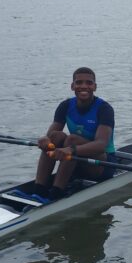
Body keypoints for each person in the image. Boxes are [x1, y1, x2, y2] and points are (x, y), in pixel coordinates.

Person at [31, 67, 115, 201]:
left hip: (102, 164)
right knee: (55, 137)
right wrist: (44, 140)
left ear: (95, 87)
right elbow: (51, 136)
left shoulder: (104, 109)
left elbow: (101, 145)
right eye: (79, 82)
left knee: (72, 140)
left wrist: (71, 150)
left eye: (89, 83)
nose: (84, 86)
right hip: (76, 158)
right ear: (72, 86)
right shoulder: (65, 106)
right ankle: (39, 190)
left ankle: (56, 194)